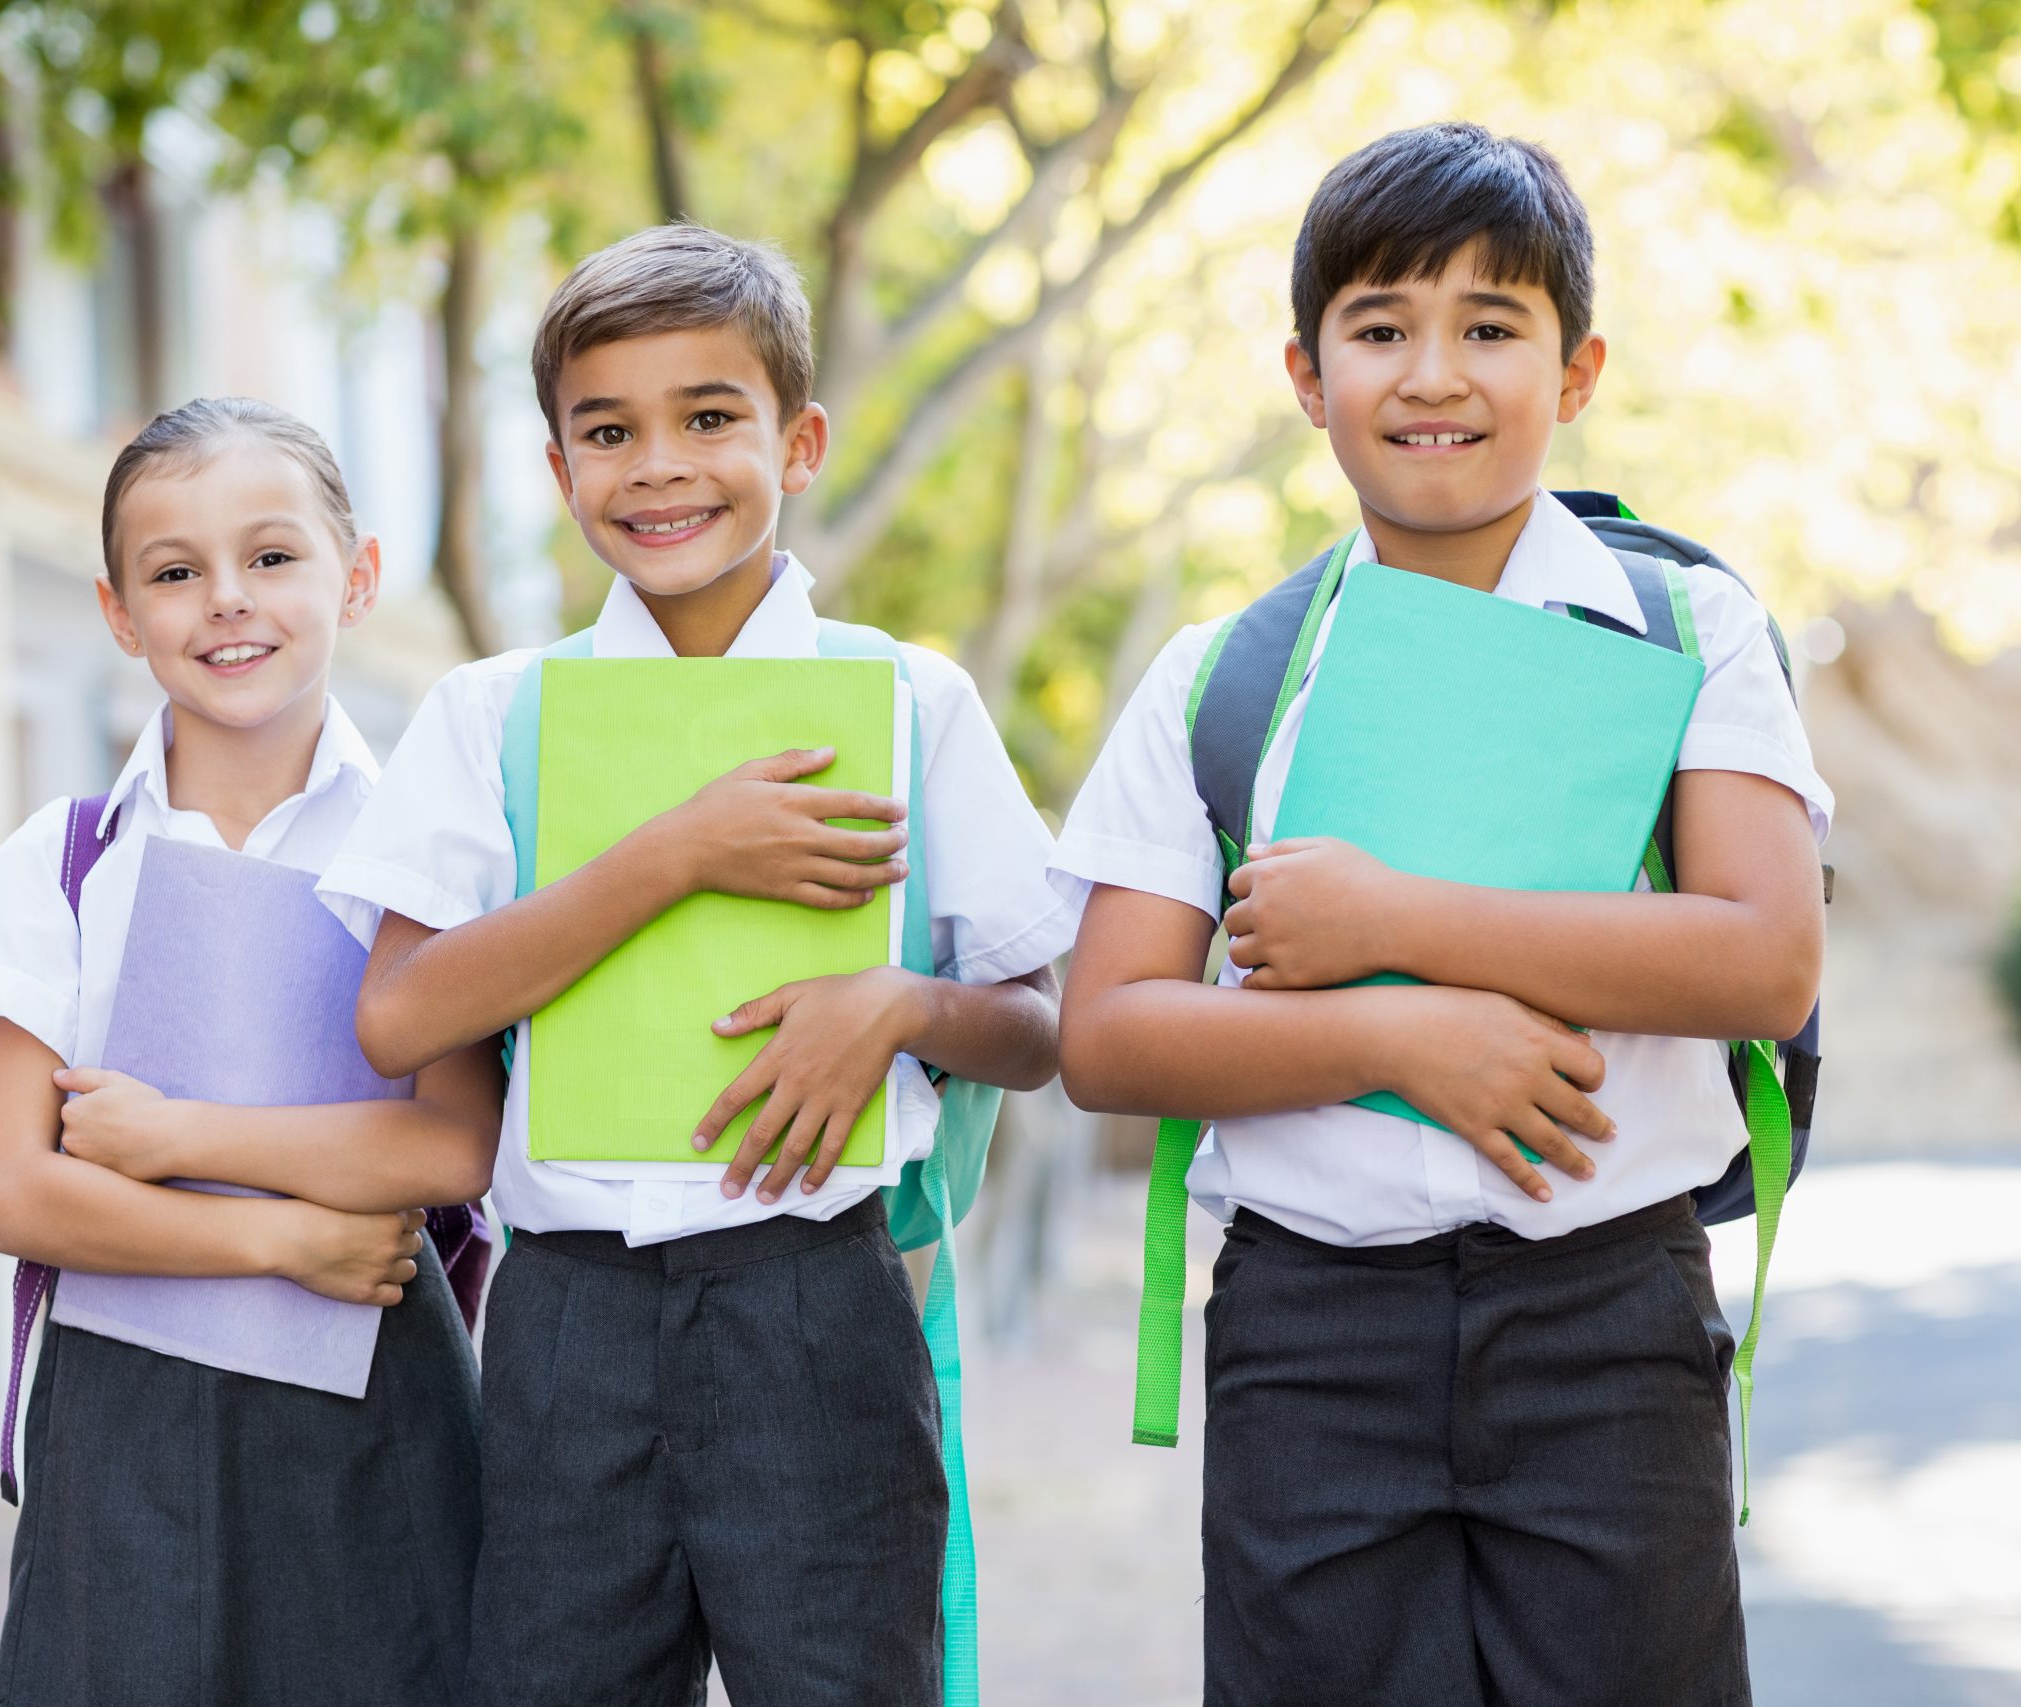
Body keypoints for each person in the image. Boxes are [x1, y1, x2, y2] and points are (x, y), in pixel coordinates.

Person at [1052, 123, 1831, 1706]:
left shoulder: (1686, 629)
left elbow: (1763, 958)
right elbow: (1109, 1036)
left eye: (1492, 327)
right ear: (1304, 371)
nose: (1434, 373)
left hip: (1607, 1317)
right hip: (1312, 1332)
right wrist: (1391, 1032)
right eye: (1381, 326)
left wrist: (1396, 917)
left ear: (1580, 366)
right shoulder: (1223, 673)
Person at [317, 223, 1078, 1706]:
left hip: (821, 1305)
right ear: (559, 472)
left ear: (798, 440)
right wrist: (675, 854)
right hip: (568, 1324)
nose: (659, 465)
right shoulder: (495, 715)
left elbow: (1041, 1029)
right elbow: (400, 1011)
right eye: (609, 431)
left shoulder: (910, 698)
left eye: (709, 418)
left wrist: (905, 1006)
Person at [0, 397, 502, 1707]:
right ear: (122, 613)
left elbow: (453, 1140)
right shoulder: (64, 864)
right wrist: (281, 1238)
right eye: (176, 573)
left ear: (357, 576)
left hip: (375, 1405)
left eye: (273, 558)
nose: (226, 601)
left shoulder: (432, 850)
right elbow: (16, 1191)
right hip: (129, 1422)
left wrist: (176, 1140)